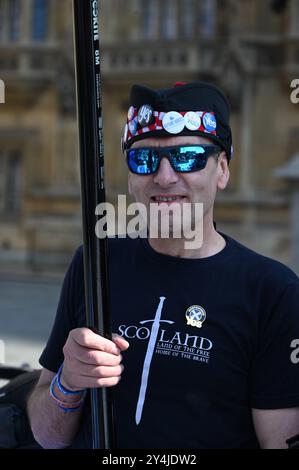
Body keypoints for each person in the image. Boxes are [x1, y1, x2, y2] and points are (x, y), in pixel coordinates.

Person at [27, 82, 299, 449]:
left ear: (221, 170)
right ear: (130, 176)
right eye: (144, 160)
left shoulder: (273, 292)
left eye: (188, 157)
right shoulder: (95, 264)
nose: (165, 176)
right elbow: (47, 437)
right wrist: (68, 383)